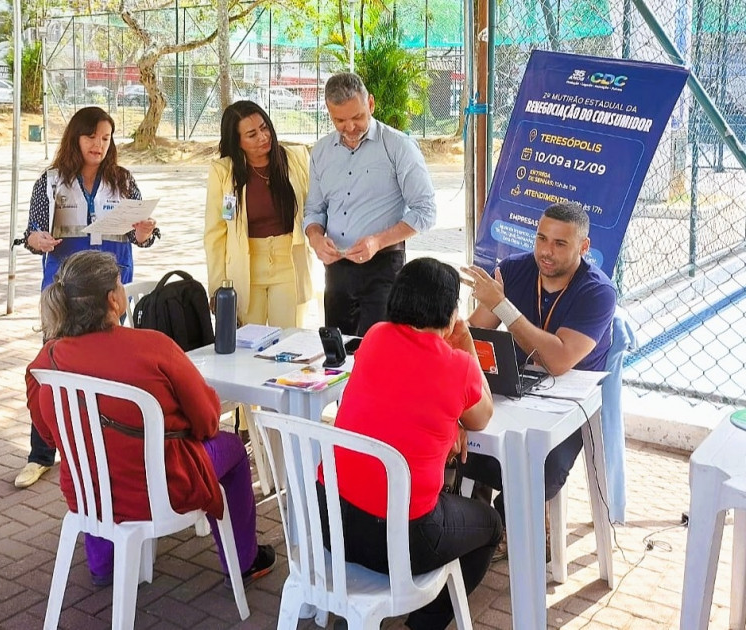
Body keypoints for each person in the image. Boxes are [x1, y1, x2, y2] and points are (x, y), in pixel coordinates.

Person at [25, 250, 276, 587]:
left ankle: (102, 565)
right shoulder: (154, 346)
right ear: (113, 300)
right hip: (164, 488)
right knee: (231, 448)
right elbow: (207, 421)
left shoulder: (46, 360)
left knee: (94, 454)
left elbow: (50, 434)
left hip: (88, 492)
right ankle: (245, 562)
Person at [319, 257, 502, 630]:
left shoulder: (375, 337)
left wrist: (449, 421)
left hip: (331, 523)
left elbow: (399, 399)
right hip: (402, 541)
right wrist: (466, 344)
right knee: (490, 525)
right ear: (450, 314)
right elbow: (482, 416)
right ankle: (422, 624)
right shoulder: (459, 366)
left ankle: (360, 616)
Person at [15, 106, 160, 489]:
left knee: (109, 370)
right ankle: (40, 455)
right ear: (75, 138)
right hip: (64, 289)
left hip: (110, 289)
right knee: (52, 370)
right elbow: (31, 233)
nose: (98, 144)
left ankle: (105, 450)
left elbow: (141, 237)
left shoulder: (123, 181)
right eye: (91, 136)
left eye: (106, 138)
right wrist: (36, 239)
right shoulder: (50, 182)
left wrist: (143, 233)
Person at [459, 201, 617, 534]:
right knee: (457, 442)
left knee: (539, 466)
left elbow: (558, 361)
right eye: (541, 239)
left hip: (569, 406)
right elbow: (474, 333)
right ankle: (483, 525)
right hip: (514, 389)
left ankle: (517, 529)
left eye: (560, 243)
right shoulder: (514, 269)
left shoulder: (598, 292)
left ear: (583, 247)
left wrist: (502, 306)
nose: (546, 251)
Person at [303, 72, 437, 336]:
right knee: (337, 349)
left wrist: (377, 241)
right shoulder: (321, 151)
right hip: (336, 271)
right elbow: (314, 211)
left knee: (380, 349)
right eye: (340, 121)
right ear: (329, 113)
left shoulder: (398, 146)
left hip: (383, 267)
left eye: (357, 117)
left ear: (371, 104)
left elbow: (426, 211)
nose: (350, 127)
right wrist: (315, 238)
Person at [204, 99, 313, 329]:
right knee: (248, 343)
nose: (263, 137)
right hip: (245, 271)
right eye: (252, 135)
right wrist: (217, 287)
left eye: (264, 128)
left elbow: (314, 207)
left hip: (289, 266)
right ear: (237, 141)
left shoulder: (295, 158)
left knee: (288, 340)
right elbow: (215, 234)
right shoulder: (223, 171)